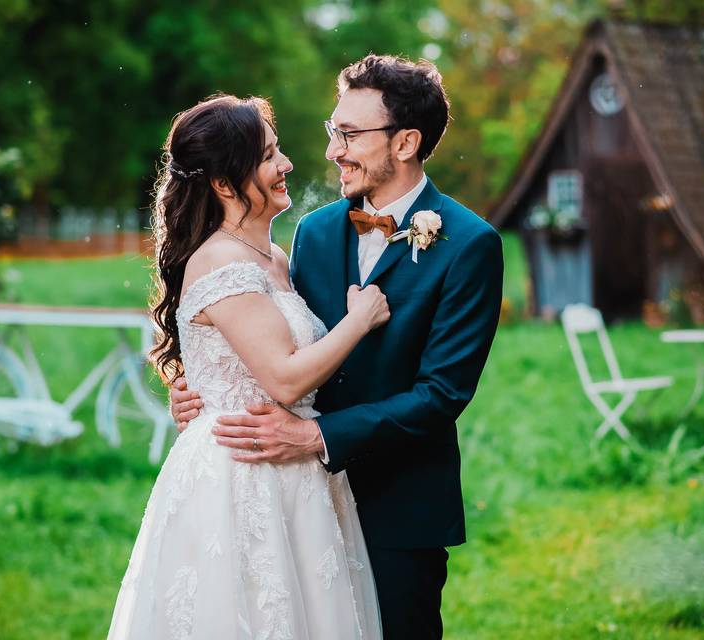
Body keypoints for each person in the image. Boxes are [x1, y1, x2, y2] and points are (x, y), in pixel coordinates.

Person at [171, 55, 504, 639]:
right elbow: (272, 337)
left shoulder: (470, 244)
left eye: (349, 135)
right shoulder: (314, 231)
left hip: (400, 506)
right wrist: (200, 388)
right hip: (297, 502)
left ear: (405, 143)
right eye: (333, 131)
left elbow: (441, 394)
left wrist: (318, 436)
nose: (332, 150)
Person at [107, 94, 387, 639]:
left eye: (278, 151)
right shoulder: (220, 260)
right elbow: (282, 375)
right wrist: (360, 319)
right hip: (240, 475)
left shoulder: (273, 258)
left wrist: (198, 387)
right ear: (223, 183)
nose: (285, 165)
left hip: (297, 471)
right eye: (267, 157)